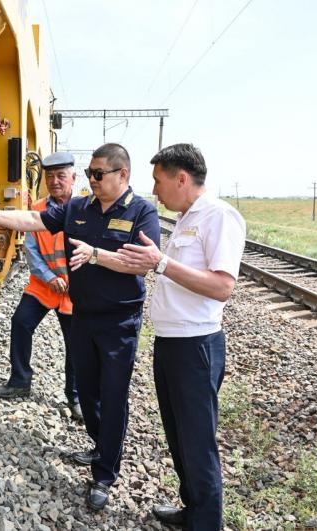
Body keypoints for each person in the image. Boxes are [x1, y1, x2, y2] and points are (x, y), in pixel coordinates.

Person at [0, 143, 160, 511]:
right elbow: (34, 221)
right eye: (90, 173)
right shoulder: (78, 208)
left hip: (119, 321)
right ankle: (98, 445)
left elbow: (139, 264)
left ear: (123, 175)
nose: (92, 179)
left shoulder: (142, 212)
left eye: (98, 174)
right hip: (83, 315)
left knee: (113, 394)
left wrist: (95, 255)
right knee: (87, 392)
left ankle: (105, 473)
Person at [118, 144, 245, 530]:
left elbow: (222, 287)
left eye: (158, 182)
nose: (154, 192)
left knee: (197, 440)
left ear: (182, 178)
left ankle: (207, 524)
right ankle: (192, 509)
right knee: (177, 434)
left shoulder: (219, 217)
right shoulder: (188, 217)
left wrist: (161, 262)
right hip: (171, 343)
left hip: (196, 346)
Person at [0, 152, 82, 422]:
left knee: (75, 344)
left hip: (73, 290)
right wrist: (48, 277)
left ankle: (75, 395)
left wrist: (68, 280)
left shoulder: (83, 209)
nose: (54, 181)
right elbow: (31, 250)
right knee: (21, 322)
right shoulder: (39, 208)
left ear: (73, 178)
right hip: (44, 285)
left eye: (60, 176)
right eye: (50, 176)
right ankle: (20, 380)